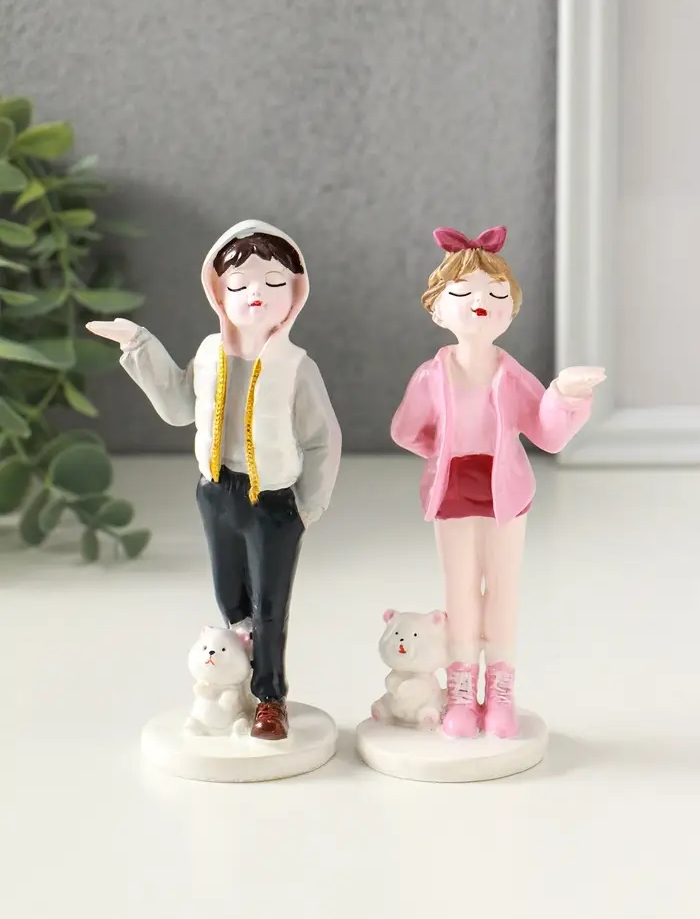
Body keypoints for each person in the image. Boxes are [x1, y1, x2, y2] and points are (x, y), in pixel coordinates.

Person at [87, 220, 341, 740]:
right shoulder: (209, 354)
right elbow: (180, 407)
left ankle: (270, 697)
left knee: (270, 607)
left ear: (294, 294)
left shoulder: (296, 366)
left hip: (273, 501)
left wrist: (308, 505)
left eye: (273, 282)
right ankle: (234, 683)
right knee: (231, 600)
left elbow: (323, 439)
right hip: (216, 491)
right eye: (239, 284)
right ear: (218, 293)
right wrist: (138, 344)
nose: (255, 294)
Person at [390, 225, 605, 738]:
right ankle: (462, 691)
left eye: (495, 293)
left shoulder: (511, 374)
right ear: (437, 310)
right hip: (452, 490)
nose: (480, 302)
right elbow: (406, 430)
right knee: (461, 591)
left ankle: (501, 691)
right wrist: (442, 452)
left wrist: (565, 395)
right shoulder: (430, 376)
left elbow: (547, 433)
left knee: (503, 590)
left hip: (504, 491)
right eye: (463, 292)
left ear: (511, 310)